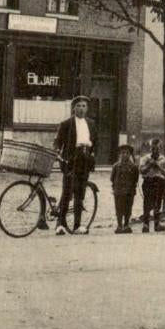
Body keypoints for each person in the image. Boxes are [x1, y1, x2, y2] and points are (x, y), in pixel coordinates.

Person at [54, 95, 97, 236]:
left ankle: (77, 225)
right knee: (67, 192)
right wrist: (57, 152)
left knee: (80, 194)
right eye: (78, 106)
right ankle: (60, 224)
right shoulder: (66, 123)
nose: (81, 109)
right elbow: (58, 141)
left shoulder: (91, 123)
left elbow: (95, 142)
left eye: (84, 106)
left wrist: (92, 154)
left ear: (87, 108)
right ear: (73, 108)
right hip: (71, 160)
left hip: (85, 161)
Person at [139, 138, 165, 233]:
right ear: (150, 149)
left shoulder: (164, 159)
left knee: (158, 202)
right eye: (153, 149)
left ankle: (157, 224)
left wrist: (158, 166)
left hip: (159, 182)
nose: (155, 151)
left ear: (160, 149)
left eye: (157, 149)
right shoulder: (145, 158)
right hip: (148, 181)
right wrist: (149, 165)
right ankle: (146, 224)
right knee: (147, 202)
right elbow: (141, 170)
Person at [110, 143, 139, 234]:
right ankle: (119, 225)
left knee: (128, 208)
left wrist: (132, 188)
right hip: (118, 190)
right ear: (120, 154)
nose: (125, 155)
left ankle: (126, 225)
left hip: (129, 191)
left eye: (127, 153)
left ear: (130, 155)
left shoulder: (133, 167)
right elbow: (112, 178)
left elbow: (136, 178)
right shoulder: (116, 166)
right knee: (118, 208)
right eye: (123, 153)